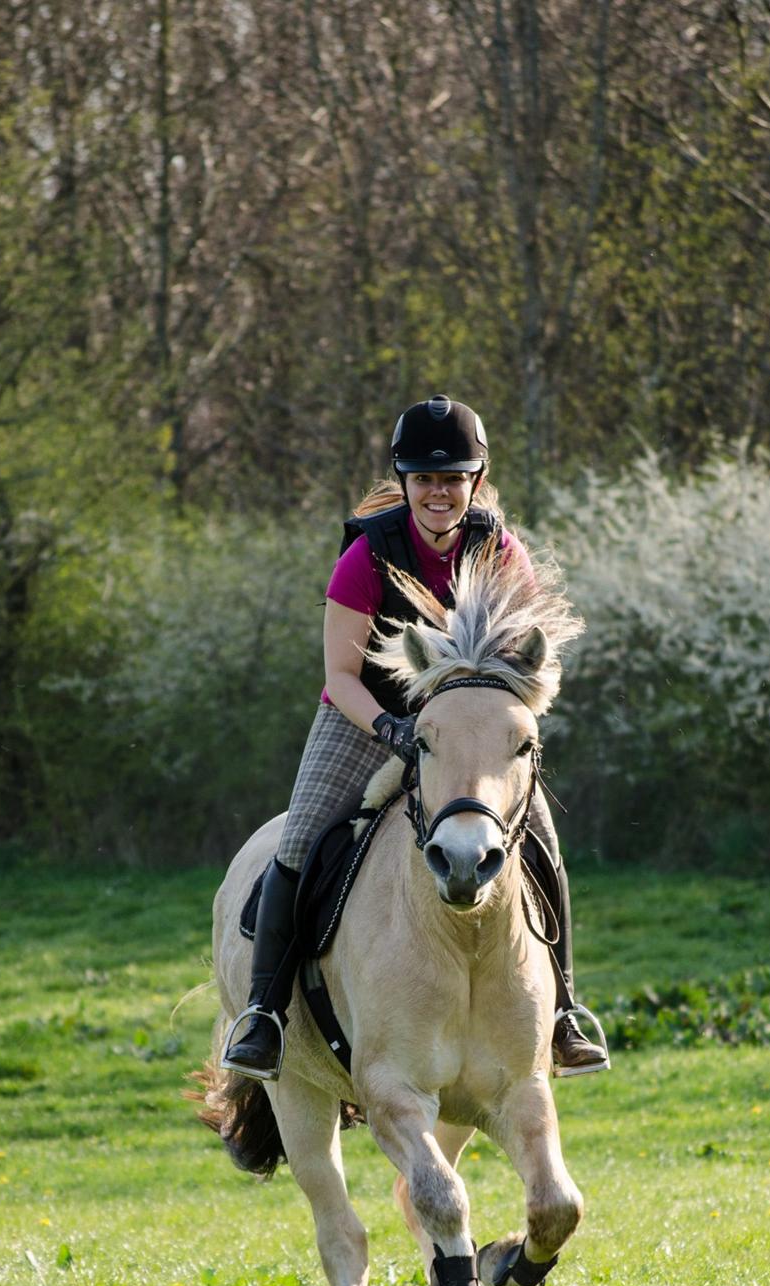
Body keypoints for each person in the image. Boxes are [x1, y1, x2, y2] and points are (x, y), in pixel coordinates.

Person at [224, 394, 607, 1078]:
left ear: (476, 482)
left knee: (542, 842)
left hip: (464, 731)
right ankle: (263, 1015)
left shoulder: (499, 551)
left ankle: (563, 1012)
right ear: (403, 482)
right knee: (303, 838)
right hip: (365, 719)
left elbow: (518, 666)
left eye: (453, 477)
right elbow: (340, 675)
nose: (439, 491)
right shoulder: (367, 557)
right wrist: (389, 726)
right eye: (425, 478)